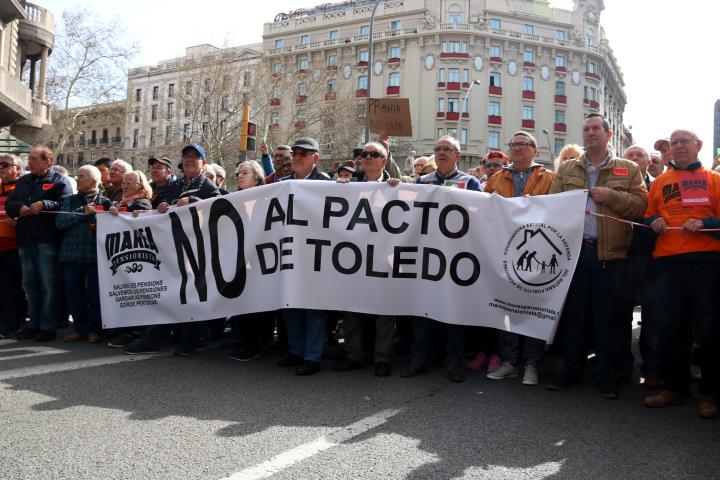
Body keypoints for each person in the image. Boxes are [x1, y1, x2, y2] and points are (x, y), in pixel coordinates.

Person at [546, 114, 647, 399]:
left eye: (595, 129)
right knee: (574, 318)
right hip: (574, 256)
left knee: (607, 320)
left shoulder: (628, 169)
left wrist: (610, 197)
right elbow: (553, 205)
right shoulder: (567, 168)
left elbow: (641, 207)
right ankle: (570, 371)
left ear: (608, 133)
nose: (590, 133)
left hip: (610, 257)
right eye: (586, 128)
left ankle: (604, 376)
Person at [643, 130, 720, 419]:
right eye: (673, 143)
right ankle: (674, 387)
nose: (678, 146)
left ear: (698, 146)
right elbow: (648, 216)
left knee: (710, 331)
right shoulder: (660, 182)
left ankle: (710, 394)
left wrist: (706, 222)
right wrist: (654, 222)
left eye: (684, 141)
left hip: (707, 264)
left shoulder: (715, 180)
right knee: (671, 329)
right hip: (669, 264)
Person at [390, 136, 480, 383]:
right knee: (422, 309)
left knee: (454, 310)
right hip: (426, 257)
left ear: (457, 155)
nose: (441, 153)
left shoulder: (470, 182)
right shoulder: (422, 182)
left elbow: (482, 216)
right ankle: (419, 358)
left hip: (455, 257)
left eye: (447, 149)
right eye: (438, 149)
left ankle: (455, 361)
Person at [483, 131, 555, 386]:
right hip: (504, 251)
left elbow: (558, 209)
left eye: (523, 144)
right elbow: (484, 208)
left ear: (535, 150)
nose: (517, 148)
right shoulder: (496, 178)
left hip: (537, 252)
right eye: (513, 144)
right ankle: (509, 362)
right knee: (506, 308)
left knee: (535, 308)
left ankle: (532, 364)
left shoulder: (549, 178)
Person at [332, 142, 395, 377]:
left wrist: (397, 190)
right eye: (364, 154)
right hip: (355, 258)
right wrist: (339, 189)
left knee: (384, 312)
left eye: (374, 154)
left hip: (385, 258)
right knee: (353, 308)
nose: (367, 158)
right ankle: (354, 353)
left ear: (384, 161)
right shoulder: (348, 187)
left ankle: (382, 357)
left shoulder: (398, 187)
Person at [6, 146, 72, 342]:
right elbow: (10, 204)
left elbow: (67, 206)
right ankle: (33, 324)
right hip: (25, 240)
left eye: (34, 159)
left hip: (47, 241)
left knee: (48, 286)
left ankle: (48, 326)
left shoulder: (59, 181)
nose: (30, 162)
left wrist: (45, 205)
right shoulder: (23, 181)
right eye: (29, 159)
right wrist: (20, 207)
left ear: (47, 161)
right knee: (30, 285)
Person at [278, 137, 331, 375]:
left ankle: (312, 356)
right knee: (291, 306)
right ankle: (296, 350)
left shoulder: (327, 184)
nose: (297, 157)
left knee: (314, 309)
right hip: (290, 254)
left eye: (303, 154)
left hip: (317, 255)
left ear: (315, 159)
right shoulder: (280, 184)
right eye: (295, 153)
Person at [618, 145, 660, 387]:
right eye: (629, 155)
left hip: (651, 259)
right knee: (620, 314)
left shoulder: (659, 185)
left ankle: (652, 368)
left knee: (652, 317)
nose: (634, 158)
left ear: (647, 162)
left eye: (639, 155)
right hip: (620, 258)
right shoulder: (614, 185)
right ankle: (621, 366)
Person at [56, 165, 113, 343]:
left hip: (95, 257)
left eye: (82, 176)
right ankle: (80, 328)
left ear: (94, 181)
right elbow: (60, 222)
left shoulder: (106, 202)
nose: (78, 179)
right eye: (78, 176)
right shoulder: (70, 200)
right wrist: (82, 212)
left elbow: (110, 227)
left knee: (95, 294)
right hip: (70, 256)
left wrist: (95, 215)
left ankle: (95, 329)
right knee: (73, 293)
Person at [227, 160, 268, 362]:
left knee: (255, 306)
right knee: (240, 303)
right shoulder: (233, 199)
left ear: (257, 177)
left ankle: (254, 344)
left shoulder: (267, 198)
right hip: (239, 261)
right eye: (237, 173)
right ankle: (242, 340)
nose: (239, 176)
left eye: (245, 172)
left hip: (259, 261)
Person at [0, 154, 27, 338]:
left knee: (11, 287)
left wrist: (18, 218)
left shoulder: (24, 187)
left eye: (5, 164)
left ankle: (12, 323)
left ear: (18, 168)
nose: (1, 167)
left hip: (15, 246)